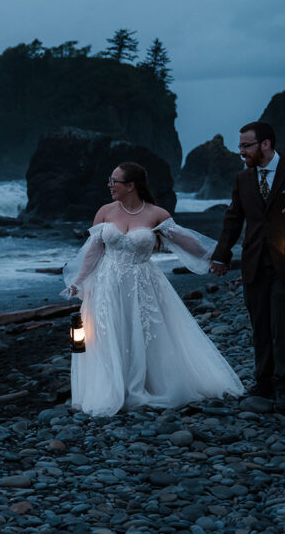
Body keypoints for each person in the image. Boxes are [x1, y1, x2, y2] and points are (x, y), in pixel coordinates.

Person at [62, 162, 243, 416]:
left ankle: (148, 384)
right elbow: (94, 250)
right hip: (107, 284)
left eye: (114, 181)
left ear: (130, 186)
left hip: (143, 282)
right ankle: (113, 388)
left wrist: (212, 257)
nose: (109, 185)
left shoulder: (156, 214)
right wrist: (79, 280)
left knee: (147, 333)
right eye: (110, 180)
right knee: (109, 332)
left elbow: (183, 240)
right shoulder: (105, 211)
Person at [210, 121, 285, 414]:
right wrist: (221, 256)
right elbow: (233, 219)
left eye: (246, 145)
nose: (241, 151)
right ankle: (263, 382)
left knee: (283, 327)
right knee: (260, 326)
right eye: (240, 146)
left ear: (265, 144)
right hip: (254, 263)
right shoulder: (243, 179)